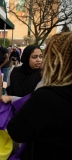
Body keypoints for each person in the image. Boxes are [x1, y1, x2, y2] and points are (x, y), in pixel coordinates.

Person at [7, 32, 72, 160]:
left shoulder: (47, 94)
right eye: (35, 57)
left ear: (58, 60)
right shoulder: (14, 71)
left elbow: (16, 131)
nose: (40, 61)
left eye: (44, 56)